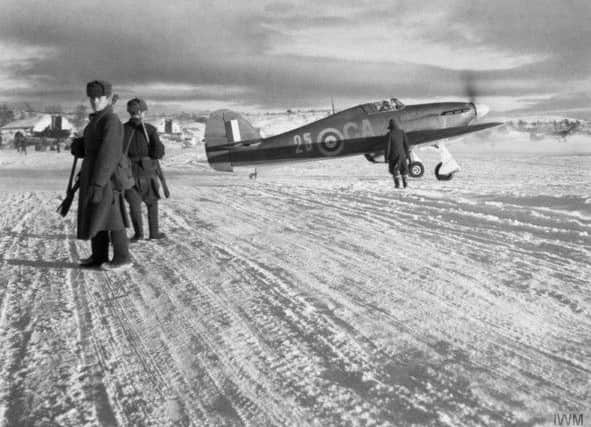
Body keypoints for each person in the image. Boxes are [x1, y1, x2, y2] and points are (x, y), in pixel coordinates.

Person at [70, 80, 132, 270]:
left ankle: (123, 258)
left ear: (107, 98)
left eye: (99, 97)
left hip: (106, 178)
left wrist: (98, 183)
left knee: (112, 218)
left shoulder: (111, 121)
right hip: (94, 175)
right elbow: (92, 149)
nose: (95, 101)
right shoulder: (96, 121)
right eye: (92, 97)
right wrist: (79, 146)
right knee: (97, 215)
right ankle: (98, 256)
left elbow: (109, 154)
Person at [123, 97, 166, 242]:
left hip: (128, 173)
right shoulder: (150, 129)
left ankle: (138, 234)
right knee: (152, 203)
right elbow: (158, 153)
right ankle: (154, 233)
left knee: (134, 205)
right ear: (141, 112)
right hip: (147, 172)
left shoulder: (122, 130)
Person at [385, 118, 410, 189]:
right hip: (402, 155)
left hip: (393, 155)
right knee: (404, 169)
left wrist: (386, 158)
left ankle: (397, 184)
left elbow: (387, 147)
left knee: (394, 170)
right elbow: (406, 144)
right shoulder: (402, 132)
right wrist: (407, 154)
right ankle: (405, 183)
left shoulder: (389, 134)